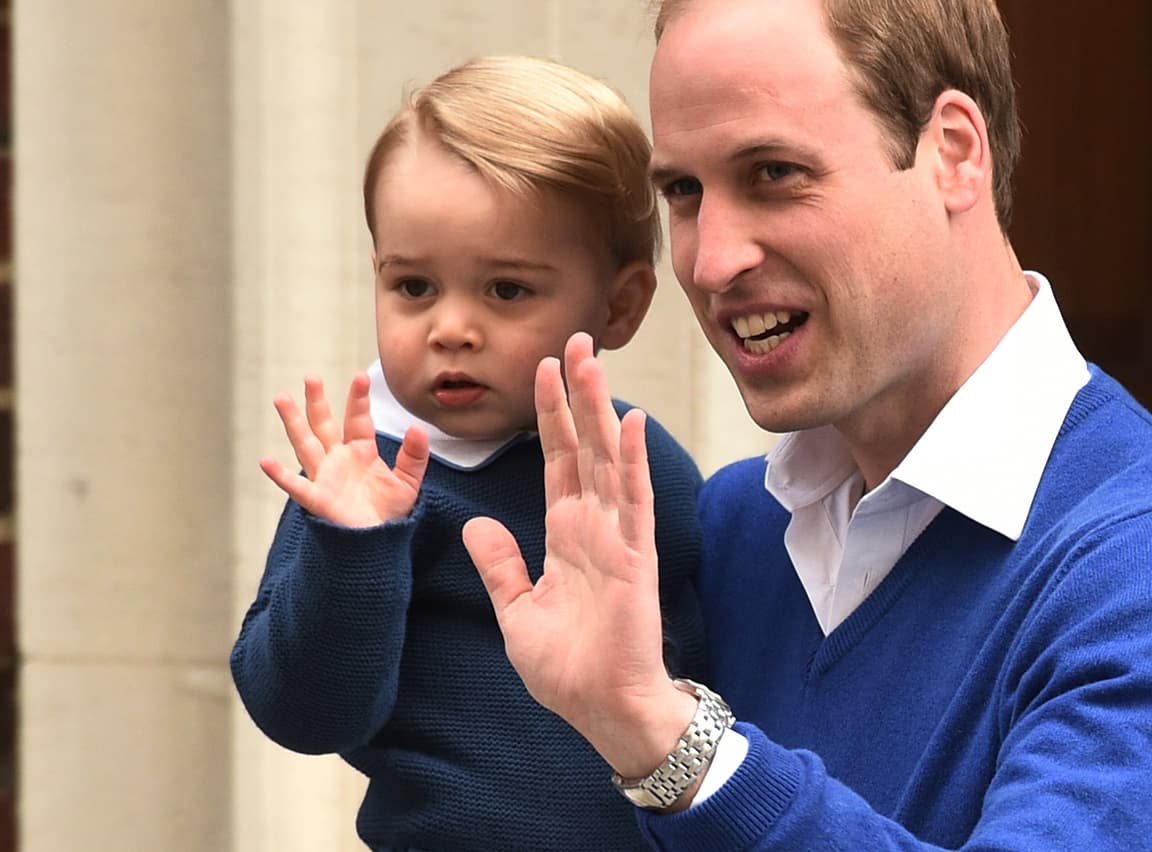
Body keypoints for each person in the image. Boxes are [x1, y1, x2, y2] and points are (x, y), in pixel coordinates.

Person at [463, 0, 1152, 849]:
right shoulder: (728, 528)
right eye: (683, 191)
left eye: (774, 173)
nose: (712, 262)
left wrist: (672, 745)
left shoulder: (1127, 563)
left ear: (953, 153)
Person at [229, 55, 706, 852]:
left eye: (506, 290)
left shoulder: (641, 464)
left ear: (619, 306)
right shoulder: (365, 487)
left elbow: (720, 670)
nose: (450, 328)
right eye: (414, 287)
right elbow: (303, 716)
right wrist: (354, 549)